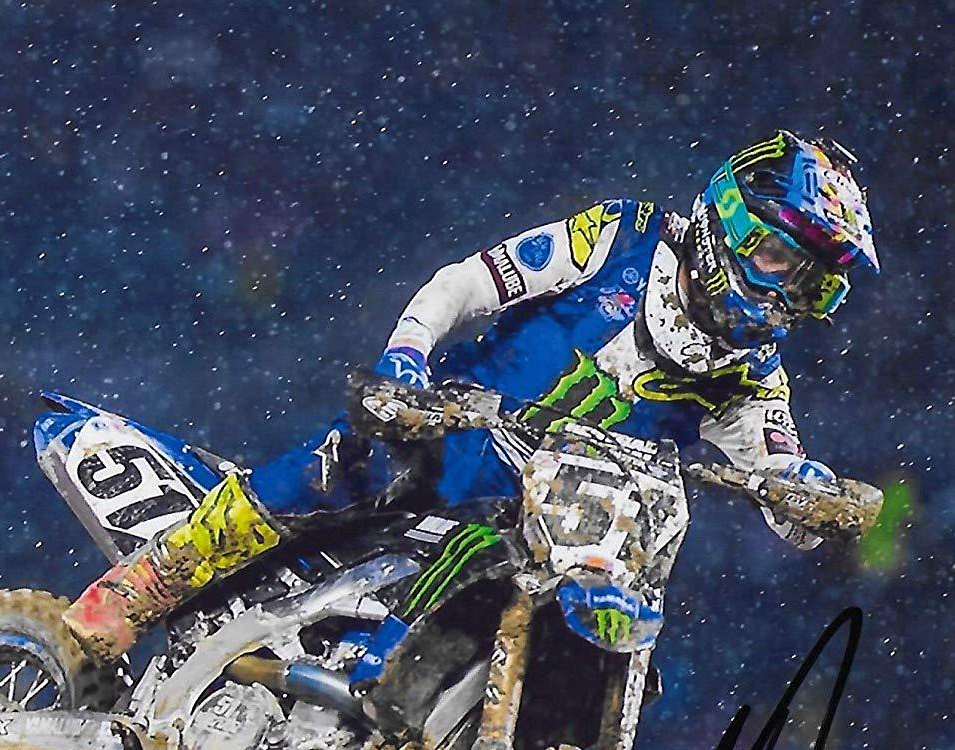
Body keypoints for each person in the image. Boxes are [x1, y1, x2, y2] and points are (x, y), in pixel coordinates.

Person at [62, 130, 880, 661]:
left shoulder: (752, 372)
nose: (787, 294)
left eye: (814, 286)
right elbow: (472, 282)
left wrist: (810, 496)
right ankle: (146, 583)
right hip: (456, 436)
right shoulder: (622, 237)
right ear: (730, 219)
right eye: (781, 260)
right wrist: (408, 356)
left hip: (548, 527)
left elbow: (781, 477)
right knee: (344, 465)